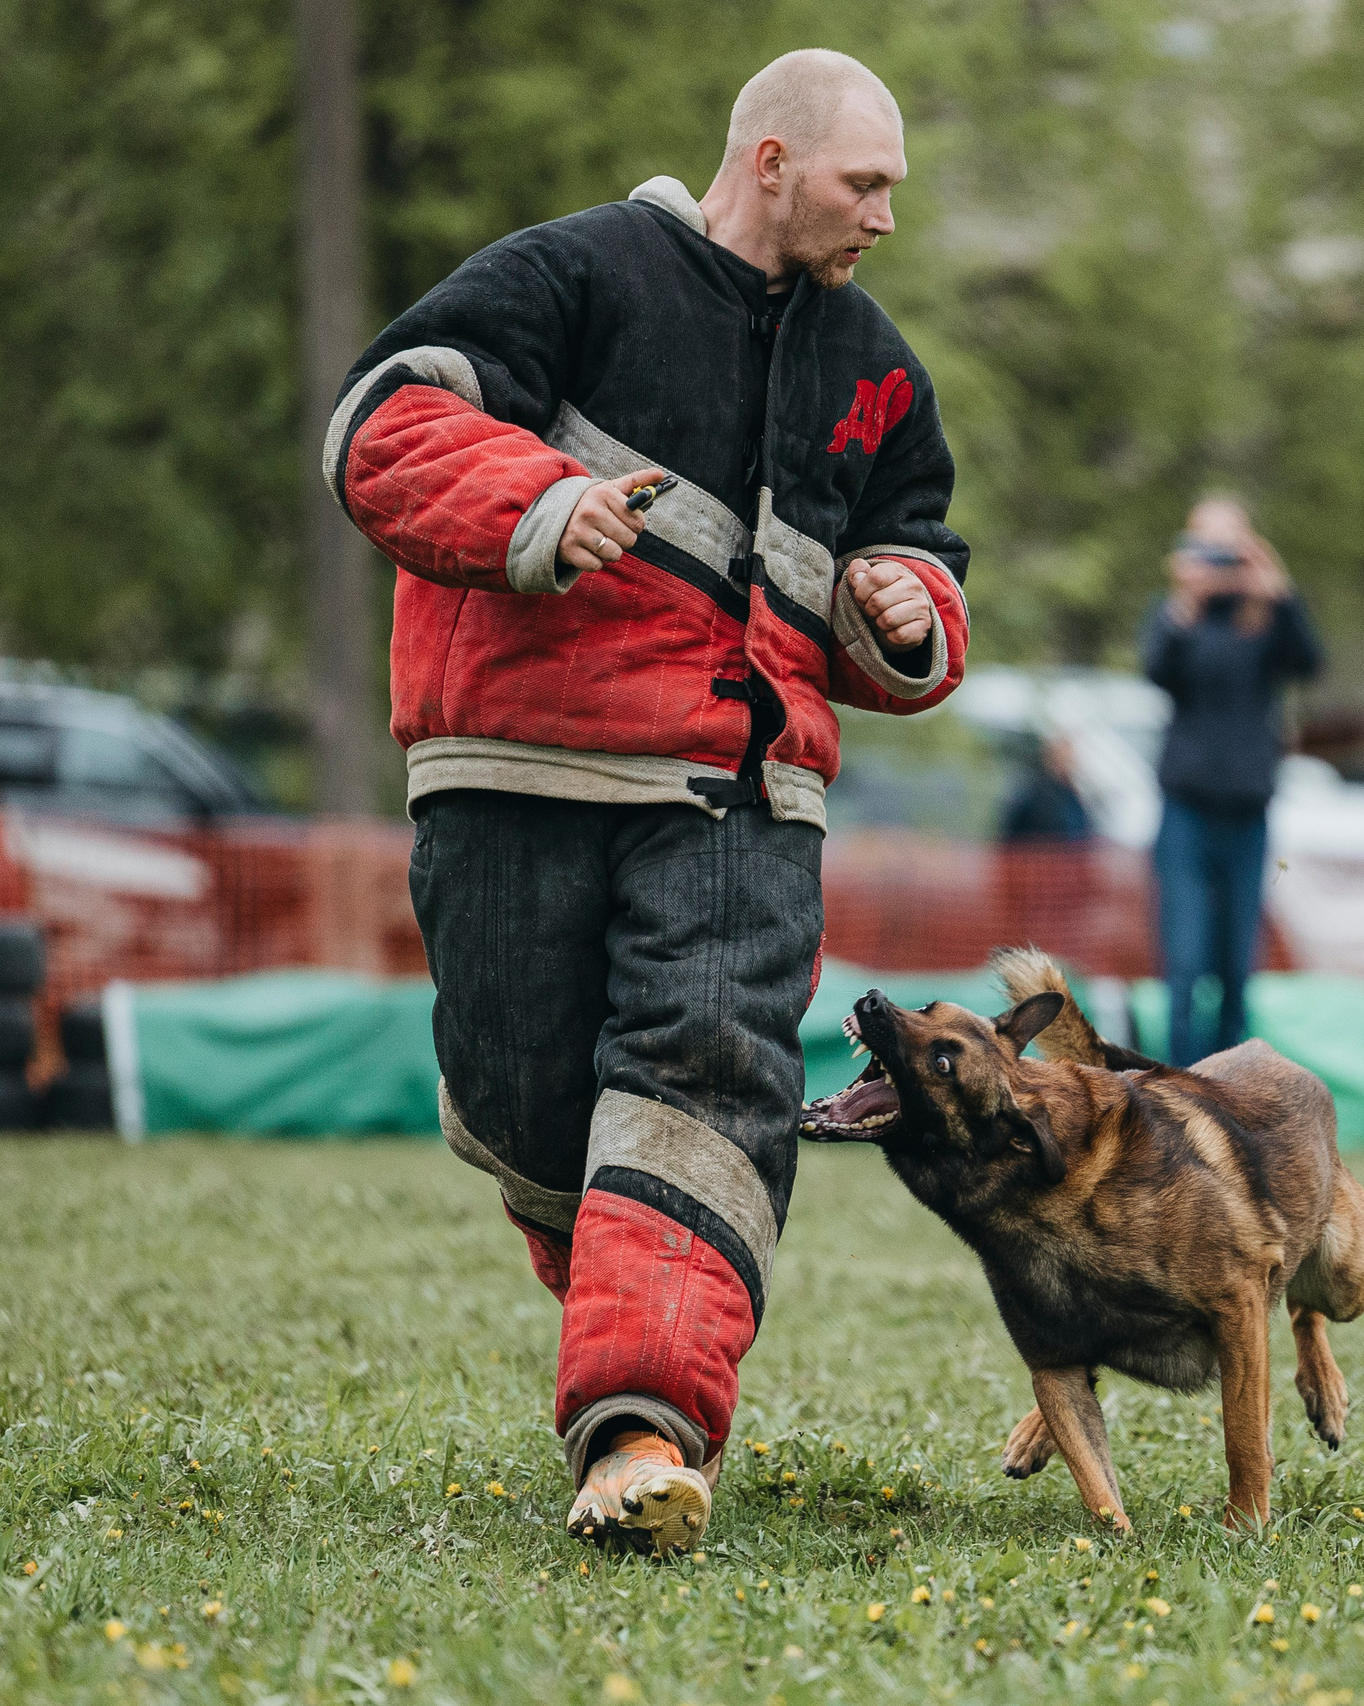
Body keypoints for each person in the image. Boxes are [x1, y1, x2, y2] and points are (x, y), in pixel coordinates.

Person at [324, 49, 969, 1556]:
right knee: (532, 1108)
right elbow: (384, 426)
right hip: (515, 776)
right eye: (862, 182)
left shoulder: (876, 362)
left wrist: (906, 609)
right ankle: (623, 1312)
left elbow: (921, 550)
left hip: (751, 798)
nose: (884, 215)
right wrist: (540, 505)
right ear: (767, 161)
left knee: (702, 1088)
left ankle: (639, 1432)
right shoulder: (573, 271)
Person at [1141, 495, 1323, 1066]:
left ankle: (1229, 1089)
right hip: (1186, 808)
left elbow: (1310, 665)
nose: (1220, 564)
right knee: (1185, 960)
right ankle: (1176, 1088)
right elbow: (1155, 669)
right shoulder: (1179, 617)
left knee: (1236, 963)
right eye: (1207, 548)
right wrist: (1184, 603)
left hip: (1248, 809)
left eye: (1230, 550)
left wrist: (1279, 593)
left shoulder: (1267, 619)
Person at [997, 733, 1094, 845]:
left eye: (1070, 758)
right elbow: (1010, 837)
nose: (1069, 763)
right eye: (1063, 757)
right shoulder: (1031, 794)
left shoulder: (1073, 796)